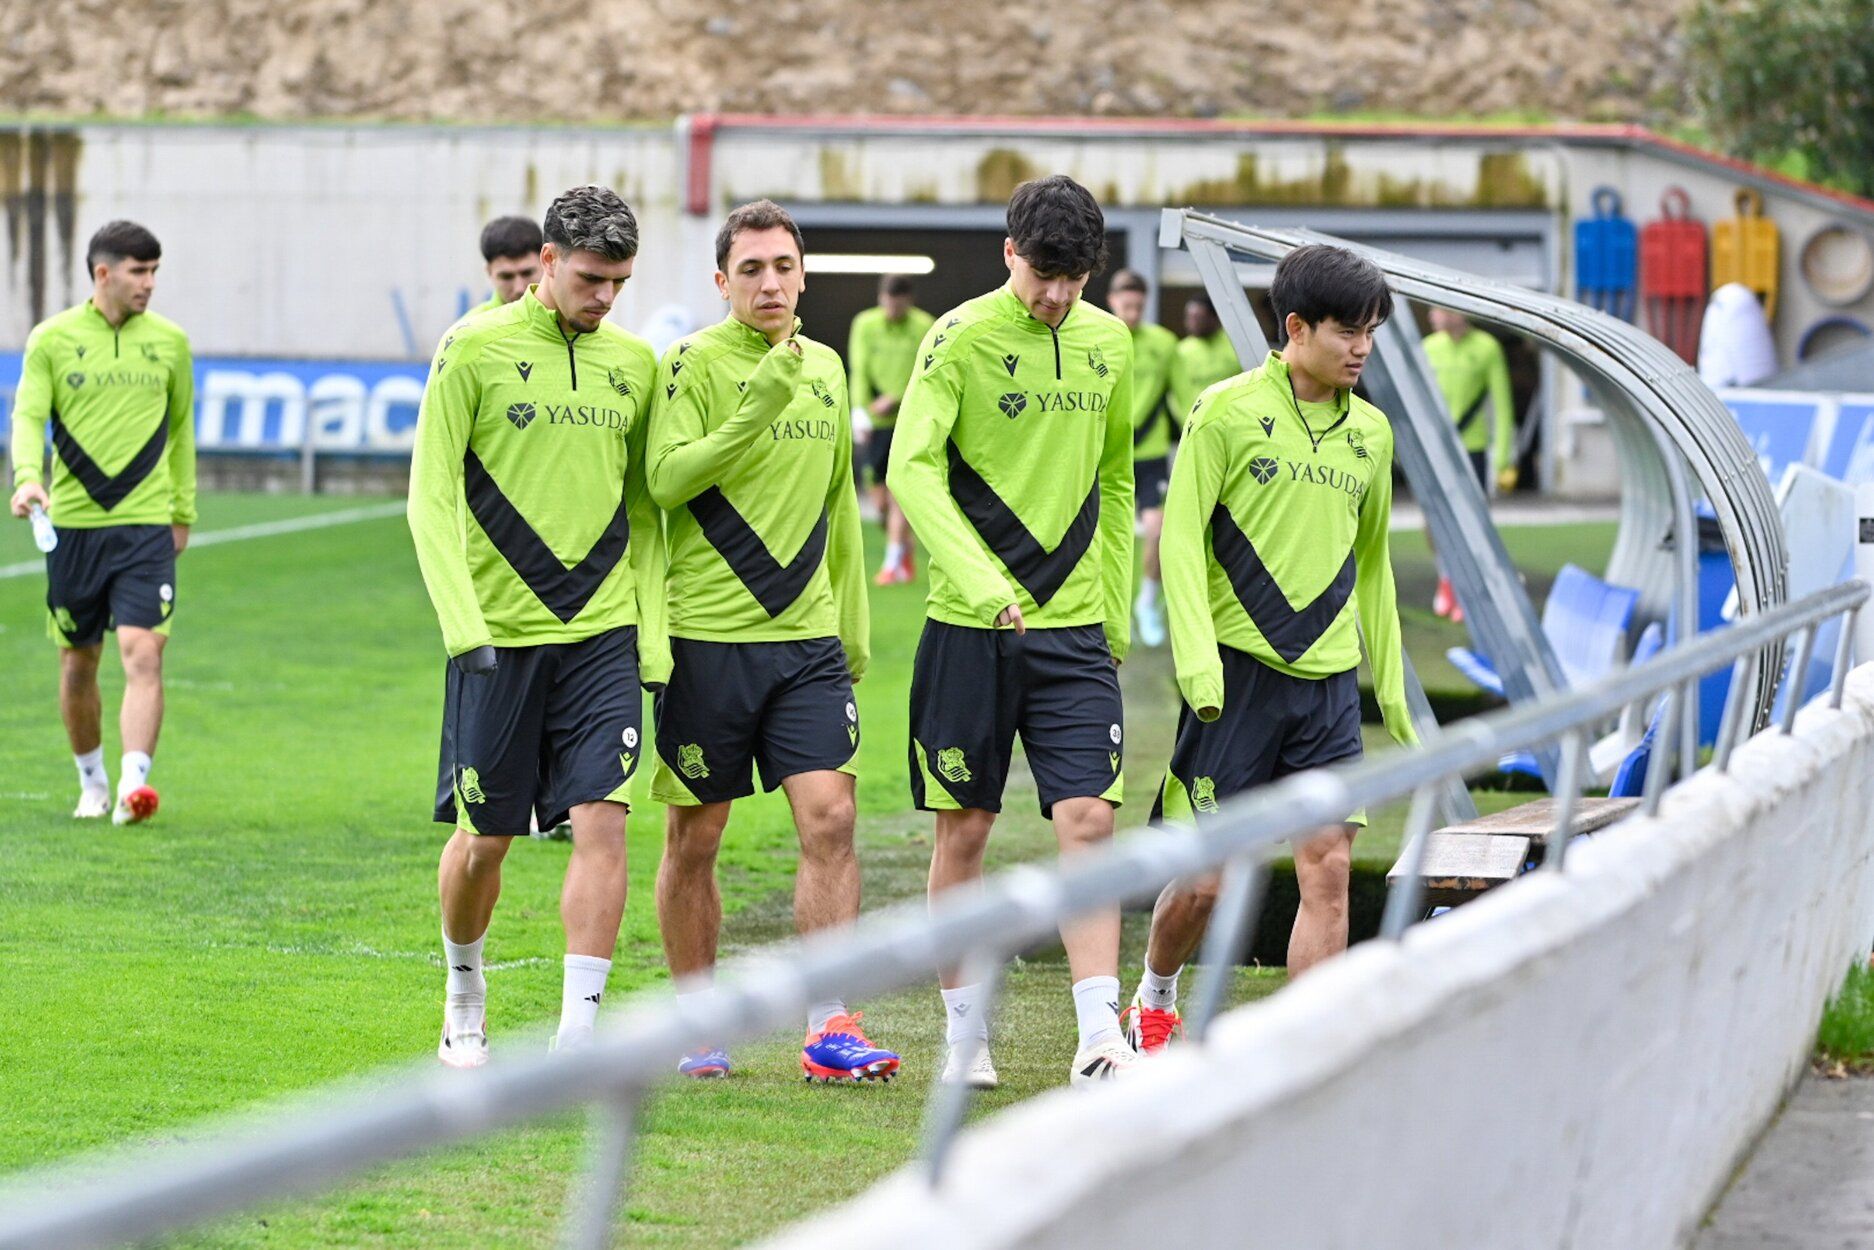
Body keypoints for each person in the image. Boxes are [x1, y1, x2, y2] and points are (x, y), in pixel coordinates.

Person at [1120, 244, 1418, 1055]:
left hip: (1327, 690)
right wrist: (1196, 661)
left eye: (1372, 332)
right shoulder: (1223, 411)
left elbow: (1373, 565)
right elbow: (1180, 539)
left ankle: (1306, 1054)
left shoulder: (1373, 434)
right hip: (1235, 681)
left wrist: (1392, 689)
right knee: (1207, 880)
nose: (1362, 348)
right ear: (1296, 327)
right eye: (1348, 331)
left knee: (1328, 867)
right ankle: (1155, 996)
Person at [408, 186, 666, 1069]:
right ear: (547, 261)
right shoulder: (471, 348)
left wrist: (650, 636)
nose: (606, 297)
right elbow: (430, 497)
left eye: (620, 282)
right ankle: (464, 992)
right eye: (591, 279)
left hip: (602, 634)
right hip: (496, 642)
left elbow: (646, 510)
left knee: (603, 822)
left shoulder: (635, 363)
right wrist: (463, 626)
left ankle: (577, 1040)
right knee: (485, 841)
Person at [890, 175, 1137, 1089]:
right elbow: (912, 469)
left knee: (1089, 821)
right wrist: (982, 580)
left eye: (1074, 279)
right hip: (969, 629)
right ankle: (966, 1039)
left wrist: (1116, 607)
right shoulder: (957, 338)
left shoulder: (1111, 343)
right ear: (1009, 254)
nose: (1057, 296)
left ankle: (1099, 1037)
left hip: (1075, 632)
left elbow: (1117, 481)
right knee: (966, 830)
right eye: (1043, 275)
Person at [646, 200, 896, 1084]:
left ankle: (830, 1026)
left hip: (807, 643)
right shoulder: (688, 364)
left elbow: (839, 506)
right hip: (707, 640)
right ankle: (697, 1022)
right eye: (750, 269)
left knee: (832, 818)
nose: (770, 283)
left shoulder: (826, 367)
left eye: (784, 266)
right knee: (697, 838)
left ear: (804, 274)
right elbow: (666, 481)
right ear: (722, 281)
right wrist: (754, 410)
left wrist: (851, 625)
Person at [8, 220, 195, 826]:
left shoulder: (171, 343)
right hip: (74, 529)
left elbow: (183, 432)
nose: (149, 283)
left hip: (146, 527)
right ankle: (92, 783)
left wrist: (182, 512)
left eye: (155, 272)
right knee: (78, 662)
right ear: (103, 273)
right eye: (139, 272)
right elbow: (28, 416)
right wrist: (27, 477)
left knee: (143, 653)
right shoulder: (52, 339)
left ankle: (134, 788)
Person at [1421, 307, 1517, 620]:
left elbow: (1502, 406)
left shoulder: (1487, 347)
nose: (1432, 315)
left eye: (1438, 308)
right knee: (1433, 520)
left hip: (1472, 448)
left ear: (1458, 312)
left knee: (1471, 520)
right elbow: (1416, 399)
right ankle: (1446, 577)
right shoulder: (1428, 347)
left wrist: (1502, 458)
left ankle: (1468, 588)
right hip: (1435, 447)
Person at [1104, 269, 1178, 649]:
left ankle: (1146, 604)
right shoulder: (1097, 339)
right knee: (1099, 537)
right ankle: (1104, 610)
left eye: (1138, 306)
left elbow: (1183, 395)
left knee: (1158, 532)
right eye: (1126, 305)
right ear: (1112, 302)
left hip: (1150, 455)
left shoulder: (1164, 343)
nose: (1132, 313)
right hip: (1107, 454)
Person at [848, 274, 935, 586]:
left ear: (908, 301)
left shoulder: (924, 325)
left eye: (898, 305)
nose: (892, 310)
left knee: (898, 491)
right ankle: (904, 548)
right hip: (875, 421)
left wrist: (897, 398)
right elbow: (859, 368)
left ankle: (891, 562)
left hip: (908, 419)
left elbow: (928, 372)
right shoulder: (865, 324)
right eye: (888, 303)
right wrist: (860, 410)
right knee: (880, 501)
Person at [1167, 294, 1239, 430]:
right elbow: (1176, 395)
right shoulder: (1181, 351)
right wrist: (1187, 422)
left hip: (1231, 424)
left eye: (1198, 318)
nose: (1191, 323)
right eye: (1188, 317)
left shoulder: (1236, 347)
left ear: (1214, 318)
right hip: (1194, 425)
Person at [467, 215, 545, 316]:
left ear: (546, 263)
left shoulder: (564, 317)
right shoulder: (471, 324)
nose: (519, 288)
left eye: (527, 273)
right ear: (489, 271)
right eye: (506, 277)